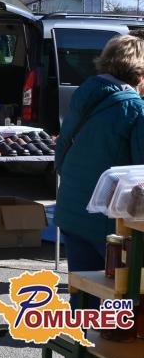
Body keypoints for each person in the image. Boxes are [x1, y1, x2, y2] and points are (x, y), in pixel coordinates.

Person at [56, 33, 144, 278]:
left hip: (72, 210)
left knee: (83, 288)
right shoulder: (136, 109)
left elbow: (61, 151)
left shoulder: (84, 94)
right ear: (140, 74)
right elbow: (142, 173)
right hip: (108, 221)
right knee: (123, 290)